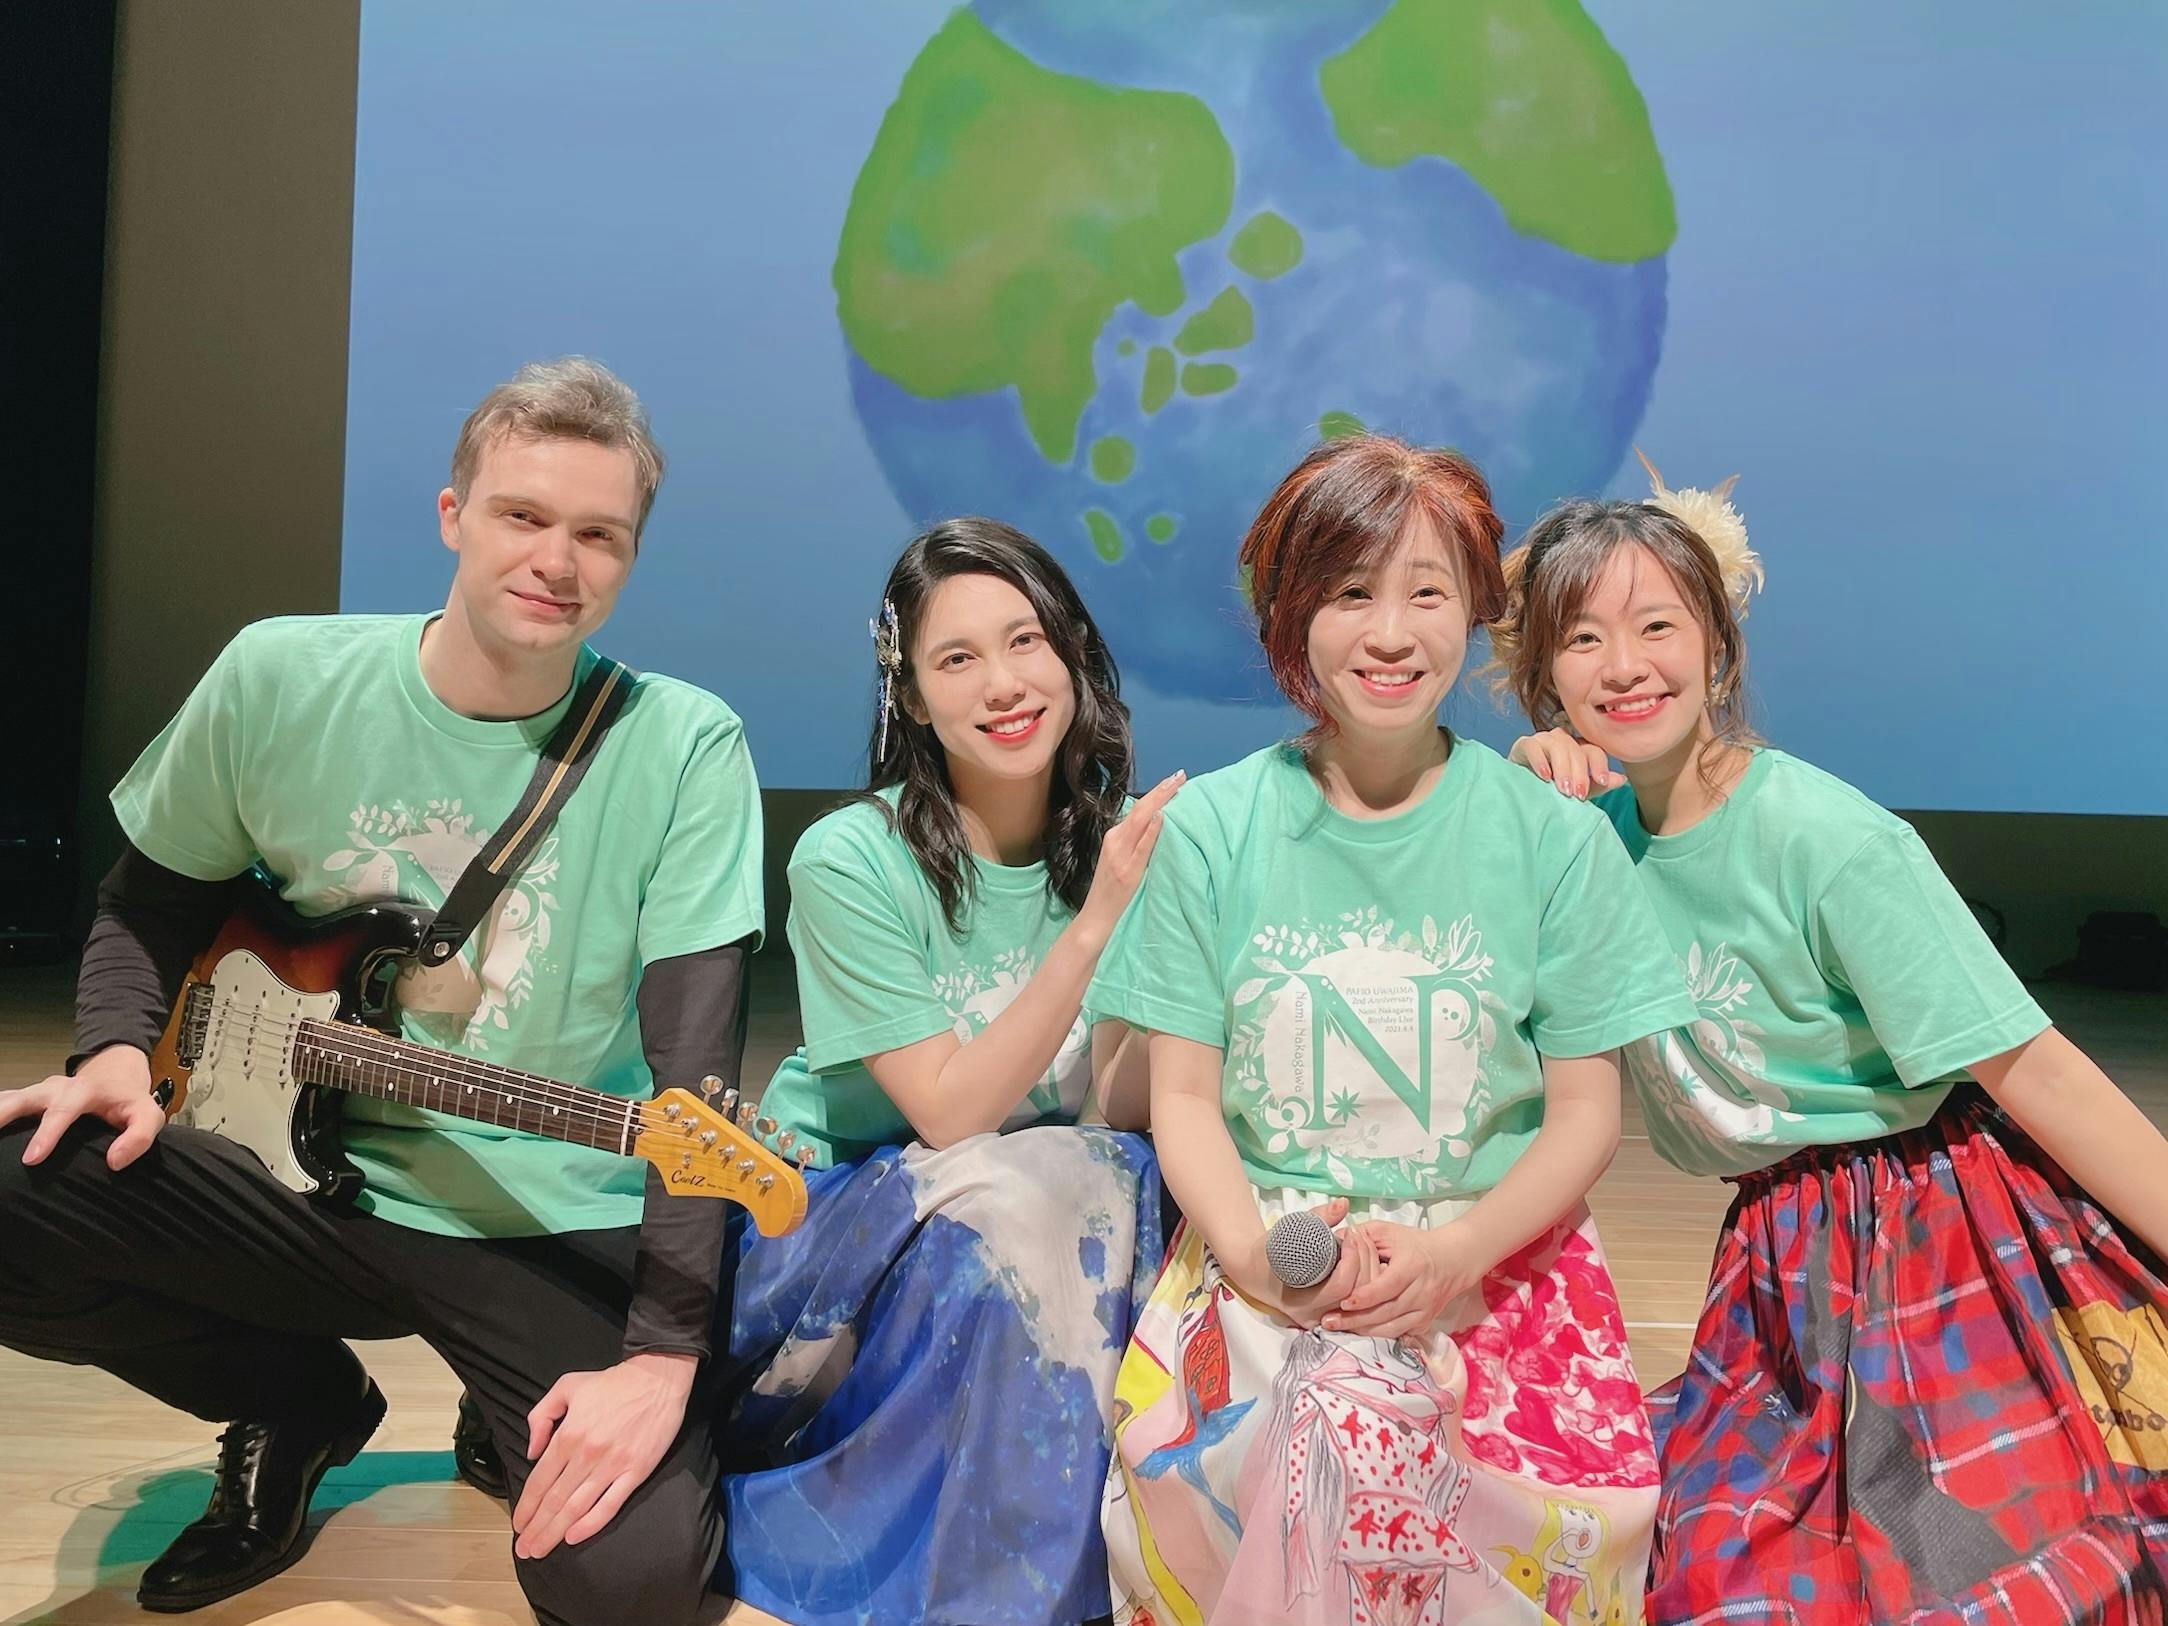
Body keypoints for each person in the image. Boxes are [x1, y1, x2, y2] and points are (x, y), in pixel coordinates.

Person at [0, 359, 759, 1625]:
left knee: (630, 1593)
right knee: (19, 1181)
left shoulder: (683, 743)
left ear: (630, 557)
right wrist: (116, 1054)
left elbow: (696, 1086)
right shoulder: (277, 678)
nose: (557, 561)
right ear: (452, 515)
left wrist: (661, 1357)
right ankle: (298, 1401)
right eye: (522, 515)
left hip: (539, 1224)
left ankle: (499, 1400)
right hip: (293, 1184)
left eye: (598, 535)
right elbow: (149, 904)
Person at [1496, 463, 2168, 1620]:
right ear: (1541, 680)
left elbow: (2039, 1073)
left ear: (1715, 650)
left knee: (1973, 1575)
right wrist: (1517, 775)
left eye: (1656, 626)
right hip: (1773, 1262)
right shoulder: (1576, 841)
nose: (1622, 666)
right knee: (1712, 1571)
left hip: (1937, 1231)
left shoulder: (1829, 840)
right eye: (1581, 639)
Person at [1094, 435, 1698, 1625]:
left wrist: (1456, 1255)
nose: (1388, 633)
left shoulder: (1552, 836)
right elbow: (1182, 1099)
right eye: (1348, 593)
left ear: (1472, 607)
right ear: (1289, 617)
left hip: (1498, 1258)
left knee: (1517, 1532)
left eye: (1425, 593)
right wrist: (1257, 1262)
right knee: (1277, 1464)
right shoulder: (1212, 829)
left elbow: (1584, 1118)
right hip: (1264, 1257)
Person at [717, 517, 1178, 1625]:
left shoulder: (1126, 847)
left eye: (1025, 642)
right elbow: (950, 1114)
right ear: (912, 699)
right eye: (957, 658)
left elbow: (1110, 1108)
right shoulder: (849, 859)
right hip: (837, 1227)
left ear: (1071, 653)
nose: (1003, 684)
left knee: (1122, 1176)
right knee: (1037, 1190)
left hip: (1041, 1214)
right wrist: (1095, 926)